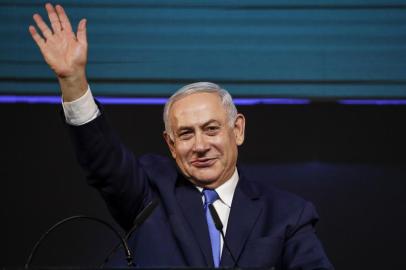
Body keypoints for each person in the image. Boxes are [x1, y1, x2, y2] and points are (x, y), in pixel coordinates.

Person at [29, 4, 333, 269]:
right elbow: (103, 162)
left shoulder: (287, 213)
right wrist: (73, 81)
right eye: (186, 134)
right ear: (170, 145)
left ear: (237, 129)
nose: (200, 145)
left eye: (211, 129)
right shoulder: (149, 194)